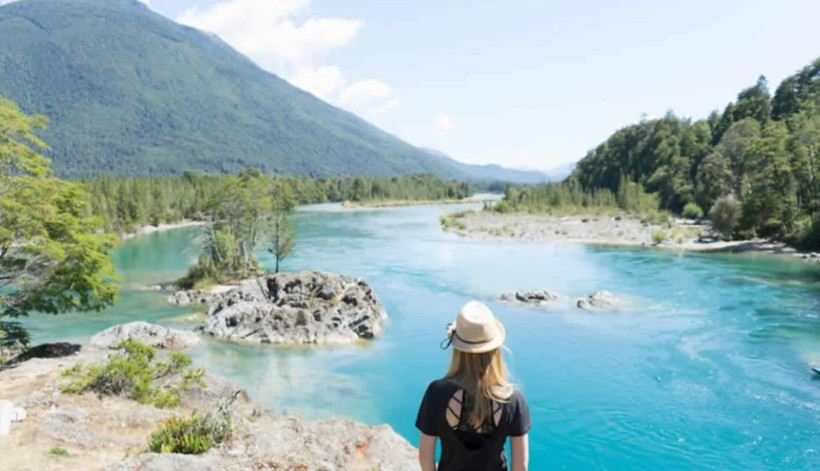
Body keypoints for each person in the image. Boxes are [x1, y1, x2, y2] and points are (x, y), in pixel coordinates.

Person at [416, 301, 531, 471]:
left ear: (456, 348)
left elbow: (425, 456)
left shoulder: (436, 393)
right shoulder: (513, 399)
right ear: (495, 350)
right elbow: (520, 465)